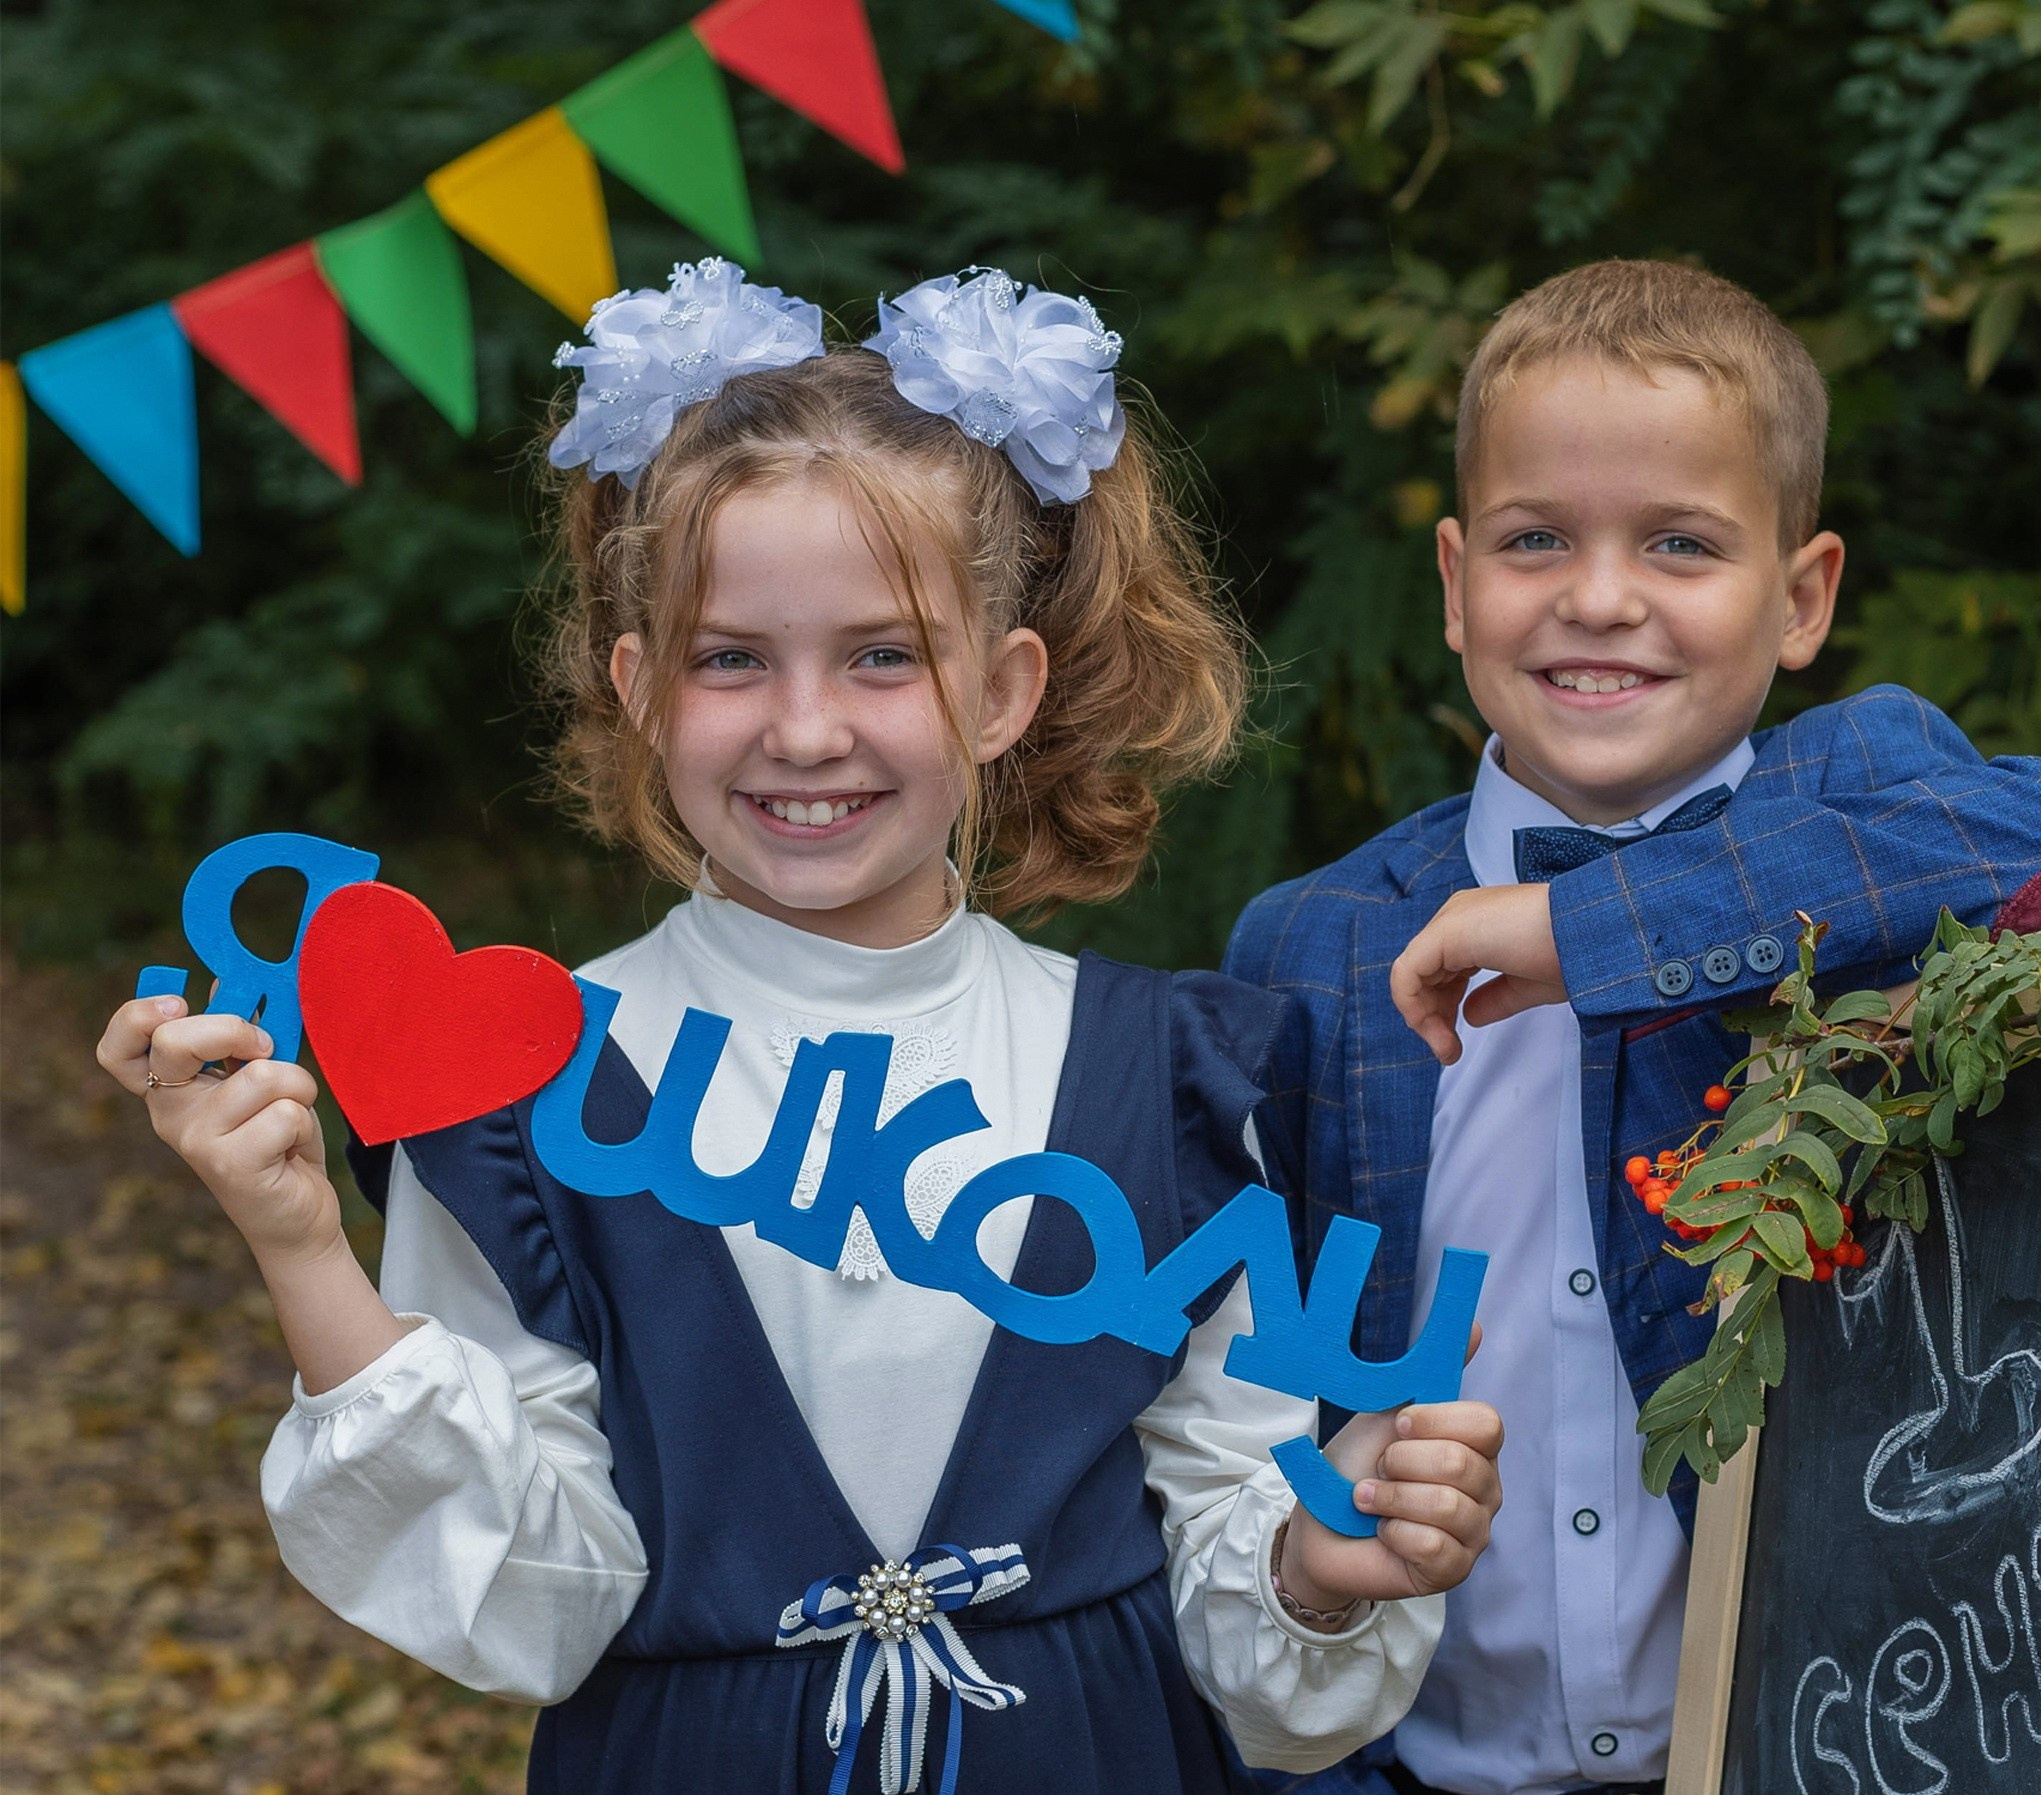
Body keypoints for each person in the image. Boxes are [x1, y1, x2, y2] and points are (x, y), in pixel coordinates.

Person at [96, 260, 1506, 1795]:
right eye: (730, 659)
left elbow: (1250, 1596)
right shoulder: (514, 1082)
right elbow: (537, 1606)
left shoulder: (1179, 1079)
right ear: (639, 686)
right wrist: (301, 1243)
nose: (807, 728)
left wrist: (1312, 1565)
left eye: (882, 654)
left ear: (1000, 689)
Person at [1223, 259, 2041, 1795]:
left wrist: (1586, 932)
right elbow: (1254, 1387)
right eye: (1533, 541)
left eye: (1678, 544)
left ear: (1799, 599)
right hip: (1414, 1756)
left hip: (1808, 1740)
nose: (1597, 596)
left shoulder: (1865, 801)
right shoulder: (1315, 946)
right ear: (1453, 586)